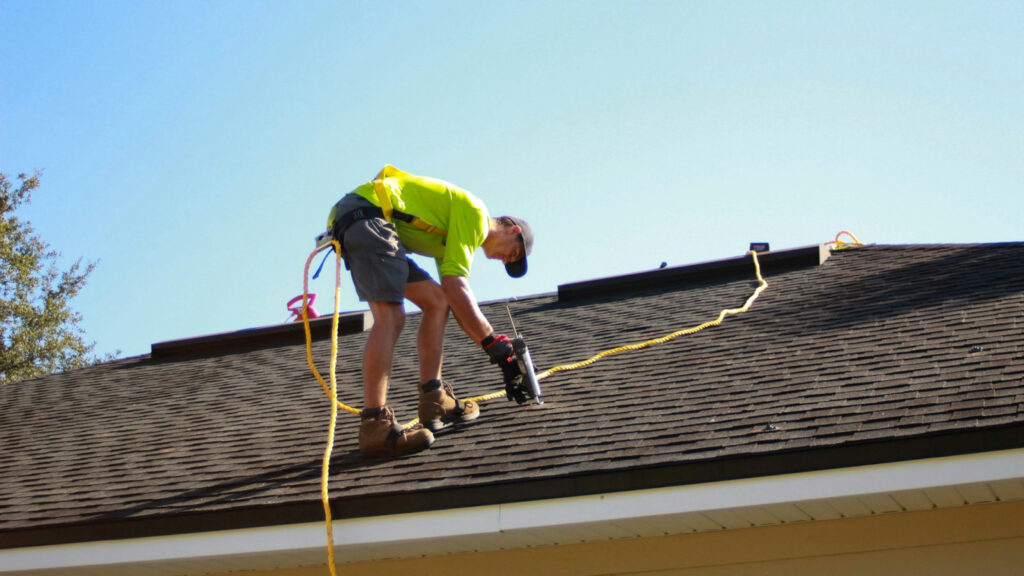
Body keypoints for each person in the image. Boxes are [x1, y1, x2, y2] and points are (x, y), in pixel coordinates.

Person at [324, 165, 534, 457]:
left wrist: (493, 346)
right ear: (514, 229)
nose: (504, 259)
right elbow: (458, 286)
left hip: (370, 223)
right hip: (367, 216)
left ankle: (434, 399)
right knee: (391, 316)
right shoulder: (475, 214)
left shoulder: (454, 235)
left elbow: (452, 295)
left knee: (437, 302)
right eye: (512, 252)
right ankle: (374, 425)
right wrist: (493, 343)